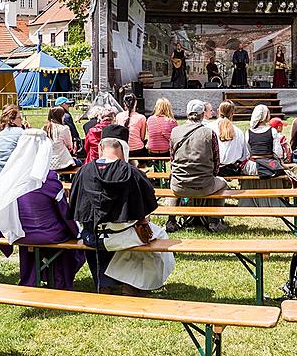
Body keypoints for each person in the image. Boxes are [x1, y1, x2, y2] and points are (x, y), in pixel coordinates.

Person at [0, 129, 85, 288]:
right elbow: (64, 212)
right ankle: (59, 280)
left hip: (21, 232)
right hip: (47, 233)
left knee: (31, 244)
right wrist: (77, 231)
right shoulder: (49, 179)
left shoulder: (11, 178)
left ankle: (31, 279)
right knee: (69, 243)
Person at [68, 136, 172, 294]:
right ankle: (134, 284)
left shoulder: (83, 171)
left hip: (92, 237)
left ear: (101, 148)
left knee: (118, 235)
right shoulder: (132, 172)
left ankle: (103, 283)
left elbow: (76, 206)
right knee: (159, 236)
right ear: (121, 151)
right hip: (123, 236)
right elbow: (148, 204)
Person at [166, 100, 228, 233]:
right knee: (222, 183)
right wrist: (212, 174)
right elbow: (217, 161)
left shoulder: (175, 132)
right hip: (204, 185)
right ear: (202, 114)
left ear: (187, 114)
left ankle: (171, 220)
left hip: (179, 185)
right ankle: (214, 220)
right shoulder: (209, 133)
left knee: (174, 185)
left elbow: (172, 159)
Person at [213, 101, 251, 176]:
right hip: (231, 170)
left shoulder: (209, 128)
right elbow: (244, 156)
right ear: (232, 114)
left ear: (218, 111)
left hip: (212, 169)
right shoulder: (238, 132)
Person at [0, 104, 25, 175]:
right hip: (14, 174)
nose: (21, 120)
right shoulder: (21, 132)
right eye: (19, 118)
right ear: (12, 120)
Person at [115, 94, 147, 160]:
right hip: (137, 150)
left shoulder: (118, 116)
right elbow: (142, 137)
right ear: (135, 103)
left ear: (124, 104)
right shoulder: (141, 118)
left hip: (123, 148)